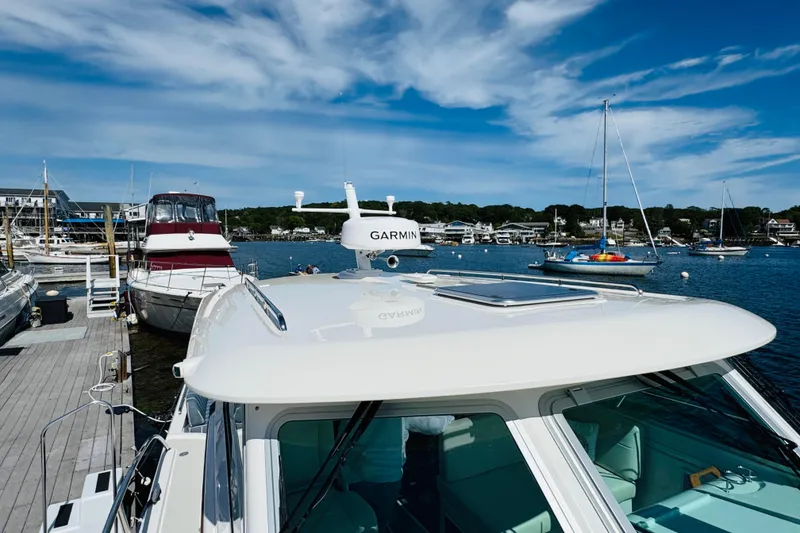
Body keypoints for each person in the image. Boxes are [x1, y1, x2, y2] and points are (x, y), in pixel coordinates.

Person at [340, 416, 454, 532]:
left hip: (354, 476)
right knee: (379, 523)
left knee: (356, 523)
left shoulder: (351, 400)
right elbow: (432, 425)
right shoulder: (398, 402)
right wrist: (451, 414)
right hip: (388, 477)